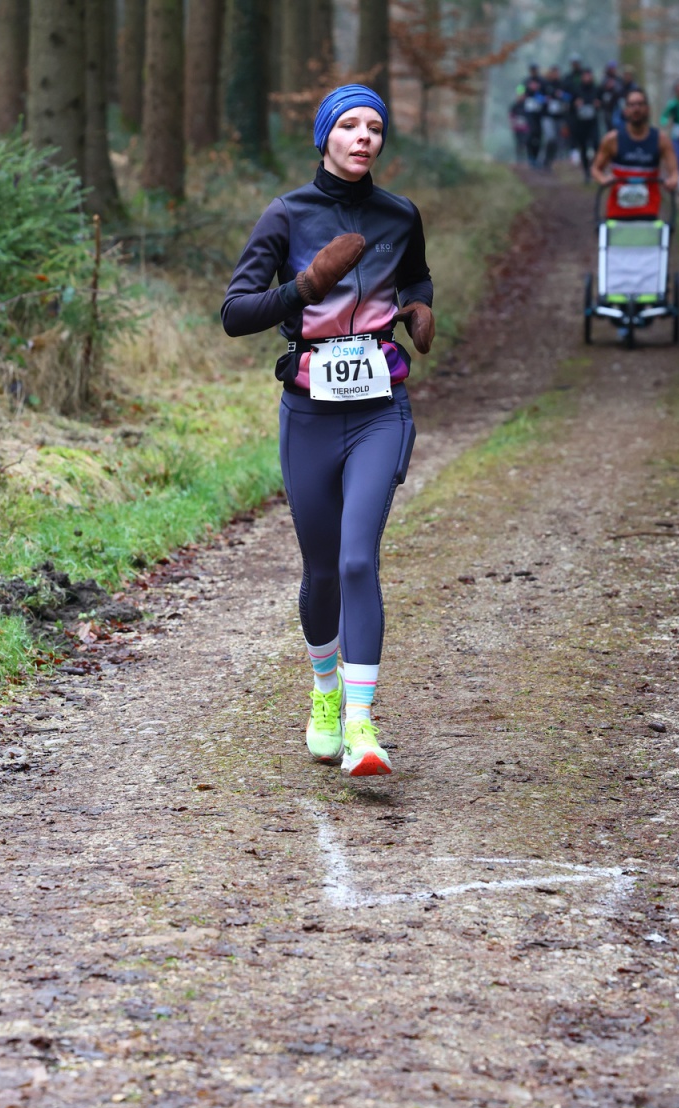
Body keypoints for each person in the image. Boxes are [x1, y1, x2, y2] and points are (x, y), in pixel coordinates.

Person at [221, 84, 433, 778]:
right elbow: (235, 313)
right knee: (320, 570)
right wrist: (305, 288)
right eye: (349, 125)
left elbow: (417, 277)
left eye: (375, 126)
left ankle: (362, 724)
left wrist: (418, 308)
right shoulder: (287, 215)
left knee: (357, 560)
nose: (364, 136)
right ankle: (324, 691)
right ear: (325, 137)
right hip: (309, 413)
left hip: (380, 408)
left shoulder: (399, 215)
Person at [591, 86, 679, 199]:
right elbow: (595, 169)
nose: (636, 109)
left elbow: (674, 172)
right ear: (625, 110)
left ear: (647, 108)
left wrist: (672, 180)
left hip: (650, 207)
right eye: (631, 105)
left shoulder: (661, 139)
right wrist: (603, 179)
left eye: (640, 104)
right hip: (618, 207)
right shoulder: (612, 139)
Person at [573, 67, 602, 181]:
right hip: (581, 124)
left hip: (593, 123)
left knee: (596, 144)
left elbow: (603, 102)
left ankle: (595, 168)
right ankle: (586, 172)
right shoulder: (577, 89)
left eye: (589, 76)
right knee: (583, 147)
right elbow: (570, 105)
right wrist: (575, 104)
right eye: (585, 76)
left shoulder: (596, 89)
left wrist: (598, 104)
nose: (587, 78)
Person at [522, 76, 547, 168]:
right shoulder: (525, 92)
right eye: (532, 84)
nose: (534, 86)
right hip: (528, 120)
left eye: (535, 84)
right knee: (529, 138)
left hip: (538, 119)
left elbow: (545, 102)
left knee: (538, 139)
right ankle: (531, 157)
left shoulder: (540, 94)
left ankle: (536, 158)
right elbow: (518, 92)